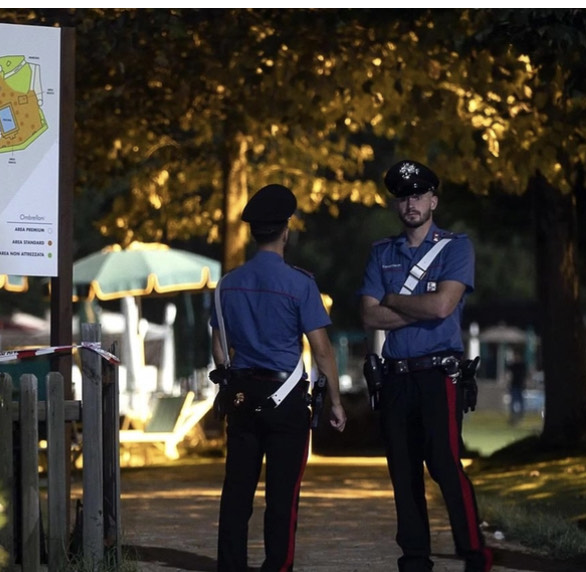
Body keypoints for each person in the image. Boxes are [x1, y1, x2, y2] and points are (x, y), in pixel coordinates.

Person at [358, 160, 492, 572]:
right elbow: (368, 316)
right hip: (397, 376)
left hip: (440, 375)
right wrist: (420, 308)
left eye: (418, 195)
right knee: (403, 471)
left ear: (434, 200)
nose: (411, 203)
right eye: (403, 197)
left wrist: (394, 299)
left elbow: (442, 306)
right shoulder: (383, 251)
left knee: (445, 465)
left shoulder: (456, 247)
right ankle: (415, 560)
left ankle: (474, 553)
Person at [210, 183, 347, 572]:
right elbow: (322, 349)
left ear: (253, 232)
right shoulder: (300, 284)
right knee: (282, 494)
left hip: (241, 394)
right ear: (286, 231)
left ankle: (231, 565)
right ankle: (276, 566)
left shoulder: (226, 285)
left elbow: (219, 346)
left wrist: (229, 379)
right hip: (285, 399)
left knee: (237, 490)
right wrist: (335, 401)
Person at [507, 353, 528, 425]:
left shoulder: (521, 365)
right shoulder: (515, 365)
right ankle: (514, 416)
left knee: (519, 401)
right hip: (515, 385)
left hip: (519, 385)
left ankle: (519, 416)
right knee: (514, 401)